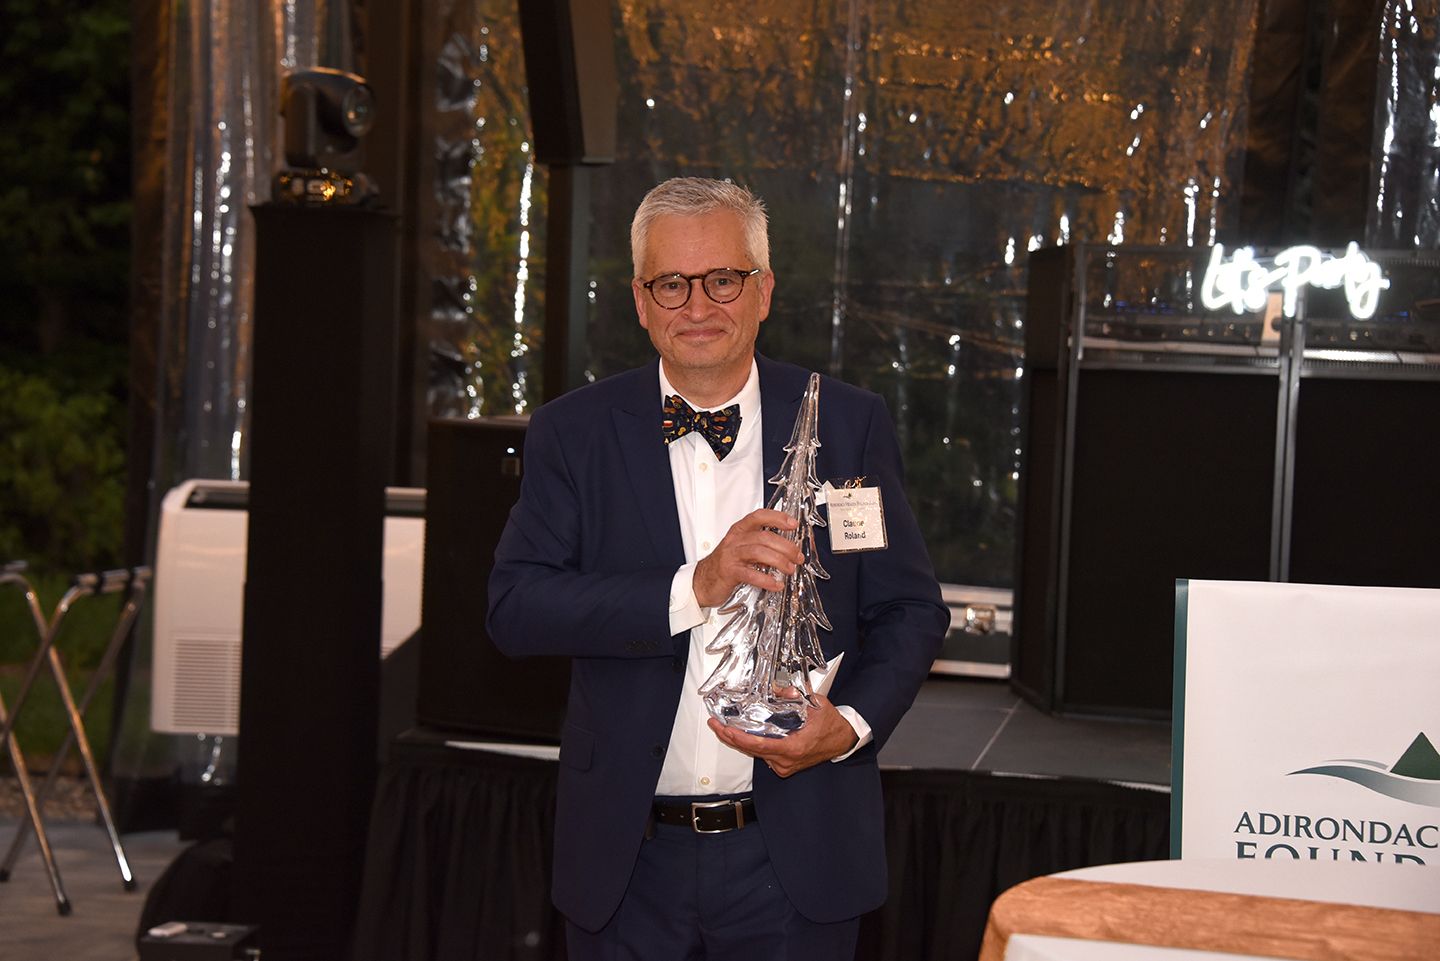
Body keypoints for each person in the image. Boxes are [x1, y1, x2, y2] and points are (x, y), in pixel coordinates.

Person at [487, 177, 948, 959]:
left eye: (723, 279)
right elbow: (516, 608)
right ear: (640, 299)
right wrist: (691, 587)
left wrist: (850, 728)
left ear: (763, 290)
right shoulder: (572, 433)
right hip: (627, 863)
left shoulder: (844, 422)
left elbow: (910, 609)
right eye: (671, 283)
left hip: (797, 854)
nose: (697, 305)